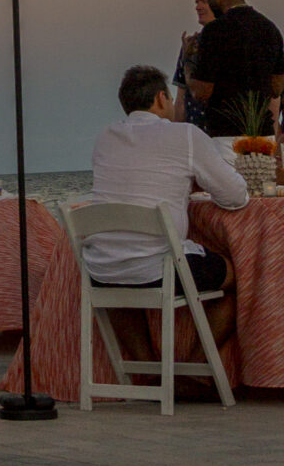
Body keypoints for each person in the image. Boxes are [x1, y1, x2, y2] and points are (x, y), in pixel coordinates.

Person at [83, 66, 245, 361]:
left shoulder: (105, 137)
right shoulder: (185, 135)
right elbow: (234, 196)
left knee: (123, 277)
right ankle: (195, 368)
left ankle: (148, 371)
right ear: (161, 98)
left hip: (102, 270)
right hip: (160, 270)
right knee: (237, 278)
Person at [186, 0, 284, 138]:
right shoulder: (270, 28)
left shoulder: (214, 31)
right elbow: (277, 87)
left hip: (226, 136)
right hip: (264, 135)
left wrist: (187, 62)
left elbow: (201, 92)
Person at [172, 0, 216, 129]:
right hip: (195, 130)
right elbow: (181, 98)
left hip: (227, 133)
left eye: (203, 1)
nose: (198, 7)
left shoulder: (234, 42)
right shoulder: (191, 45)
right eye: (196, 2)